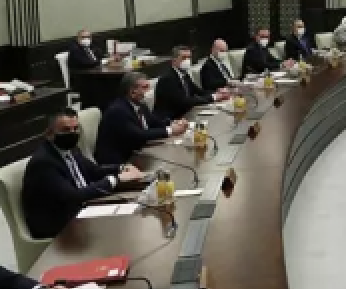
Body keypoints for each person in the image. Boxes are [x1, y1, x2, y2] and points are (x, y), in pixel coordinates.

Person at [23, 110, 143, 239]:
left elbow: (93, 171)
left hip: (82, 209)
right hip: (60, 224)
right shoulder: (43, 162)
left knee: (130, 215)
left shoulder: (71, 149)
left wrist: (121, 168)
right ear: (49, 134)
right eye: (66, 130)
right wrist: (115, 179)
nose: (72, 133)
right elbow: (73, 196)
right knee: (115, 229)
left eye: (75, 129)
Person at [94, 72, 187, 165]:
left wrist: (173, 123)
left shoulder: (140, 105)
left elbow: (154, 122)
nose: (149, 91)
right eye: (145, 87)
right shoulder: (118, 110)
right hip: (118, 162)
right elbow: (139, 135)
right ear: (132, 92)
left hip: (136, 152)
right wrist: (171, 130)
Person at [153, 46, 225, 120]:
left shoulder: (185, 75)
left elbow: (199, 91)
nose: (187, 61)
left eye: (189, 58)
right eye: (184, 58)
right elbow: (185, 102)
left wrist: (218, 93)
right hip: (169, 120)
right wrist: (213, 97)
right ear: (174, 61)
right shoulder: (167, 79)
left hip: (185, 114)